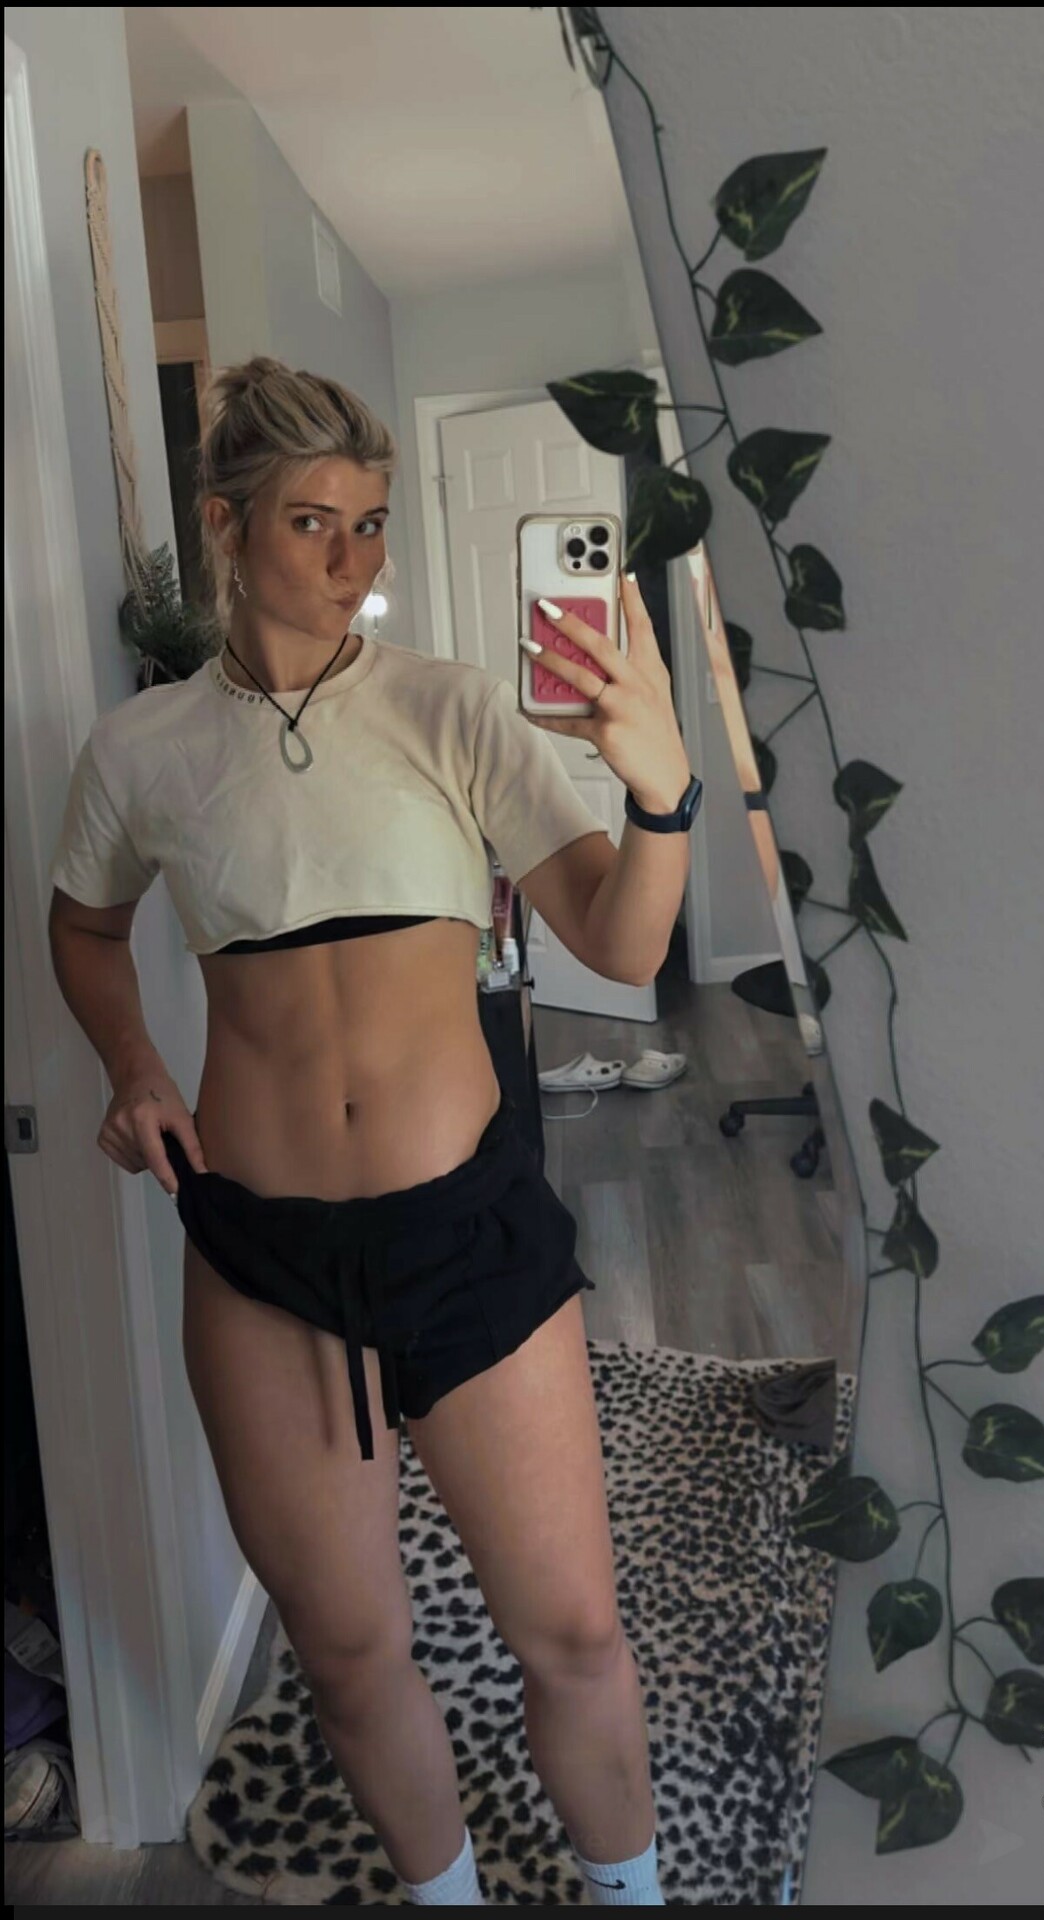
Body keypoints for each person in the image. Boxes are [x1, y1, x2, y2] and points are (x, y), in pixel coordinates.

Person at [47, 356, 693, 1905]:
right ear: (225, 527)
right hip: (262, 1260)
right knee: (344, 1653)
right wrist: (134, 1067)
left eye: (373, 523)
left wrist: (662, 798)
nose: (354, 560)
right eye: (313, 522)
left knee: (573, 1634)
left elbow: (619, 944)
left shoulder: (450, 708)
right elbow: (82, 926)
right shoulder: (141, 749)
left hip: (468, 1231)